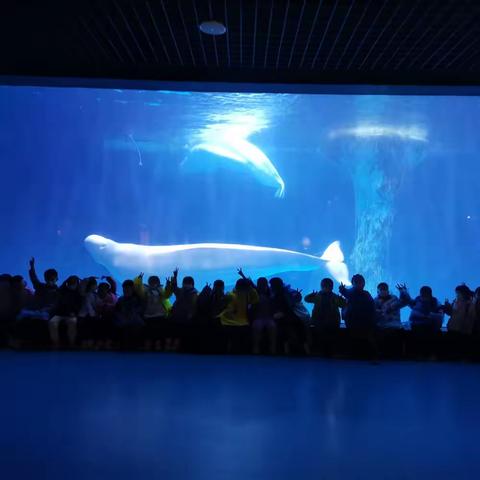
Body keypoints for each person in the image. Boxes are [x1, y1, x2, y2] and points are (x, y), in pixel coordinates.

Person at [397, 284, 444, 359]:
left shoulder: (434, 301)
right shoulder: (418, 299)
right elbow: (411, 303)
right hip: (415, 324)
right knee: (414, 336)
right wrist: (404, 292)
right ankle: (417, 354)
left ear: (429, 294)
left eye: (425, 293)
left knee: (426, 337)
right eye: (422, 293)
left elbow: (440, 316)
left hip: (428, 326)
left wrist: (430, 316)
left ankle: (428, 354)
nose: (423, 295)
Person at [304, 278, 346, 356]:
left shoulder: (333, 297)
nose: (327, 288)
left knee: (328, 334)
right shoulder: (318, 296)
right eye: (326, 287)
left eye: (328, 287)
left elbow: (344, 304)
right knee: (324, 334)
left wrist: (342, 297)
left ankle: (327, 351)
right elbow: (306, 299)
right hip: (320, 321)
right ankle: (326, 351)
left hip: (330, 321)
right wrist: (311, 295)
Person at [339, 274, 377, 359]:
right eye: (357, 282)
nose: (359, 284)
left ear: (363, 283)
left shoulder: (363, 293)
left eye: (360, 282)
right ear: (353, 283)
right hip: (355, 321)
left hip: (361, 322)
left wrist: (342, 290)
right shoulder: (362, 293)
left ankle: (364, 355)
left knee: (360, 338)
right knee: (359, 338)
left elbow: (348, 294)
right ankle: (367, 355)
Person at [219, 275, 259, 354]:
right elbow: (255, 297)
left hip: (231, 322)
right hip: (233, 322)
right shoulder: (240, 295)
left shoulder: (231, 294)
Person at [134, 273, 173, 351]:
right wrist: (139, 279)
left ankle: (157, 345)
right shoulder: (146, 289)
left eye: (154, 281)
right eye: (152, 281)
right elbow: (138, 289)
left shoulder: (160, 290)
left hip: (159, 316)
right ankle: (151, 345)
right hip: (149, 316)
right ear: (149, 282)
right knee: (150, 332)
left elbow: (167, 294)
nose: (153, 282)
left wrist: (168, 285)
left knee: (157, 332)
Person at [269, 277, 307, 355]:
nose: (271, 287)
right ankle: (302, 350)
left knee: (290, 327)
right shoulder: (281, 292)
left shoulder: (282, 293)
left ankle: (290, 349)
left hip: (287, 316)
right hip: (288, 316)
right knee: (293, 326)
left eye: (272, 285)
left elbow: (290, 304)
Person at [49, 275, 83, 348]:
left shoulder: (78, 294)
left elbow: (79, 306)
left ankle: (72, 343)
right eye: (70, 283)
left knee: (72, 323)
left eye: (73, 283)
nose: (72, 285)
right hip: (60, 314)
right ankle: (55, 343)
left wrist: (74, 313)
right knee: (52, 322)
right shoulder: (62, 291)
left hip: (72, 315)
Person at [168, 269, 198, 352]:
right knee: (182, 333)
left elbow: (173, 287)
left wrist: (175, 276)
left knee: (179, 333)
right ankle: (182, 347)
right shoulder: (194, 292)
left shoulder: (183, 291)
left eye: (186, 283)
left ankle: (178, 347)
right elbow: (194, 305)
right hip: (184, 316)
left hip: (180, 316)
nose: (186, 285)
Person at [197, 279, 229, 353]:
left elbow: (203, 306)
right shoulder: (225, 296)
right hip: (218, 321)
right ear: (223, 287)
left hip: (210, 320)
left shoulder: (209, 295)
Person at [444, 284, 474, 359]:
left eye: (458, 293)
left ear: (463, 293)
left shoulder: (469, 304)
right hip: (452, 328)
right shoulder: (455, 302)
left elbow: (472, 316)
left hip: (462, 330)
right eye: (456, 293)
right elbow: (451, 313)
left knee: (460, 349)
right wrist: (447, 307)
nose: (456, 295)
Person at [114, 279, 144, 349]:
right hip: (123, 322)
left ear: (132, 289)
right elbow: (117, 311)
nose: (125, 290)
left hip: (135, 323)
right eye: (124, 288)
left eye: (127, 288)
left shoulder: (138, 299)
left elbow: (139, 311)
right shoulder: (120, 299)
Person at [250, 277, 276, 355]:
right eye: (260, 284)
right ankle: (256, 347)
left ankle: (272, 348)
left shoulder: (270, 293)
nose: (262, 286)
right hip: (259, 318)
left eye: (263, 284)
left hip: (268, 318)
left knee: (272, 327)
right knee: (257, 328)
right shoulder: (256, 293)